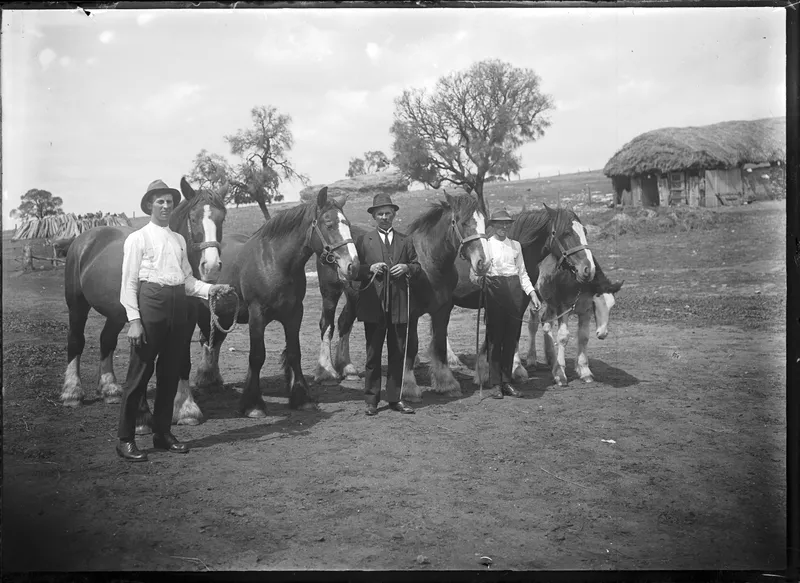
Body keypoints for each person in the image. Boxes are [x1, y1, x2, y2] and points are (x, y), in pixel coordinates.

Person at [116, 179, 232, 462]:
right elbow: (128, 284)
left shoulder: (179, 240)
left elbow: (188, 281)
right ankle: (125, 438)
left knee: (169, 375)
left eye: (169, 201)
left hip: (178, 306)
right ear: (149, 205)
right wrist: (134, 320)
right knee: (139, 376)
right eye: (160, 201)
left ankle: (162, 433)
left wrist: (210, 289)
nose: (165, 206)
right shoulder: (138, 239)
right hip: (152, 304)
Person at [355, 193, 421, 416]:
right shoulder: (364, 240)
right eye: (380, 214)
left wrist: (407, 268)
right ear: (374, 216)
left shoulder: (405, 240)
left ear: (394, 215)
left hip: (399, 305)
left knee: (397, 354)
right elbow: (354, 271)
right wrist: (369, 269)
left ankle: (395, 398)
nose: (384, 217)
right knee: (373, 355)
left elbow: (417, 267)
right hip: (373, 306)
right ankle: (371, 401)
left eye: (388, 213)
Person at [471, 209, 541, 399]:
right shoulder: (486, 244)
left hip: (514, 292)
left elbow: (522, 273)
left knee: (511, 339)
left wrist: (532, 293)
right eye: (499, 223)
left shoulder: (516, 245)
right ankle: (495, 384)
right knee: (495, 340)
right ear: (493, 225)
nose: (503, 227)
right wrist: (480, 278)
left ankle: (506, 381)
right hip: (495, 291)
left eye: (506, 224)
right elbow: (475, 272)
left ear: (510, 225)